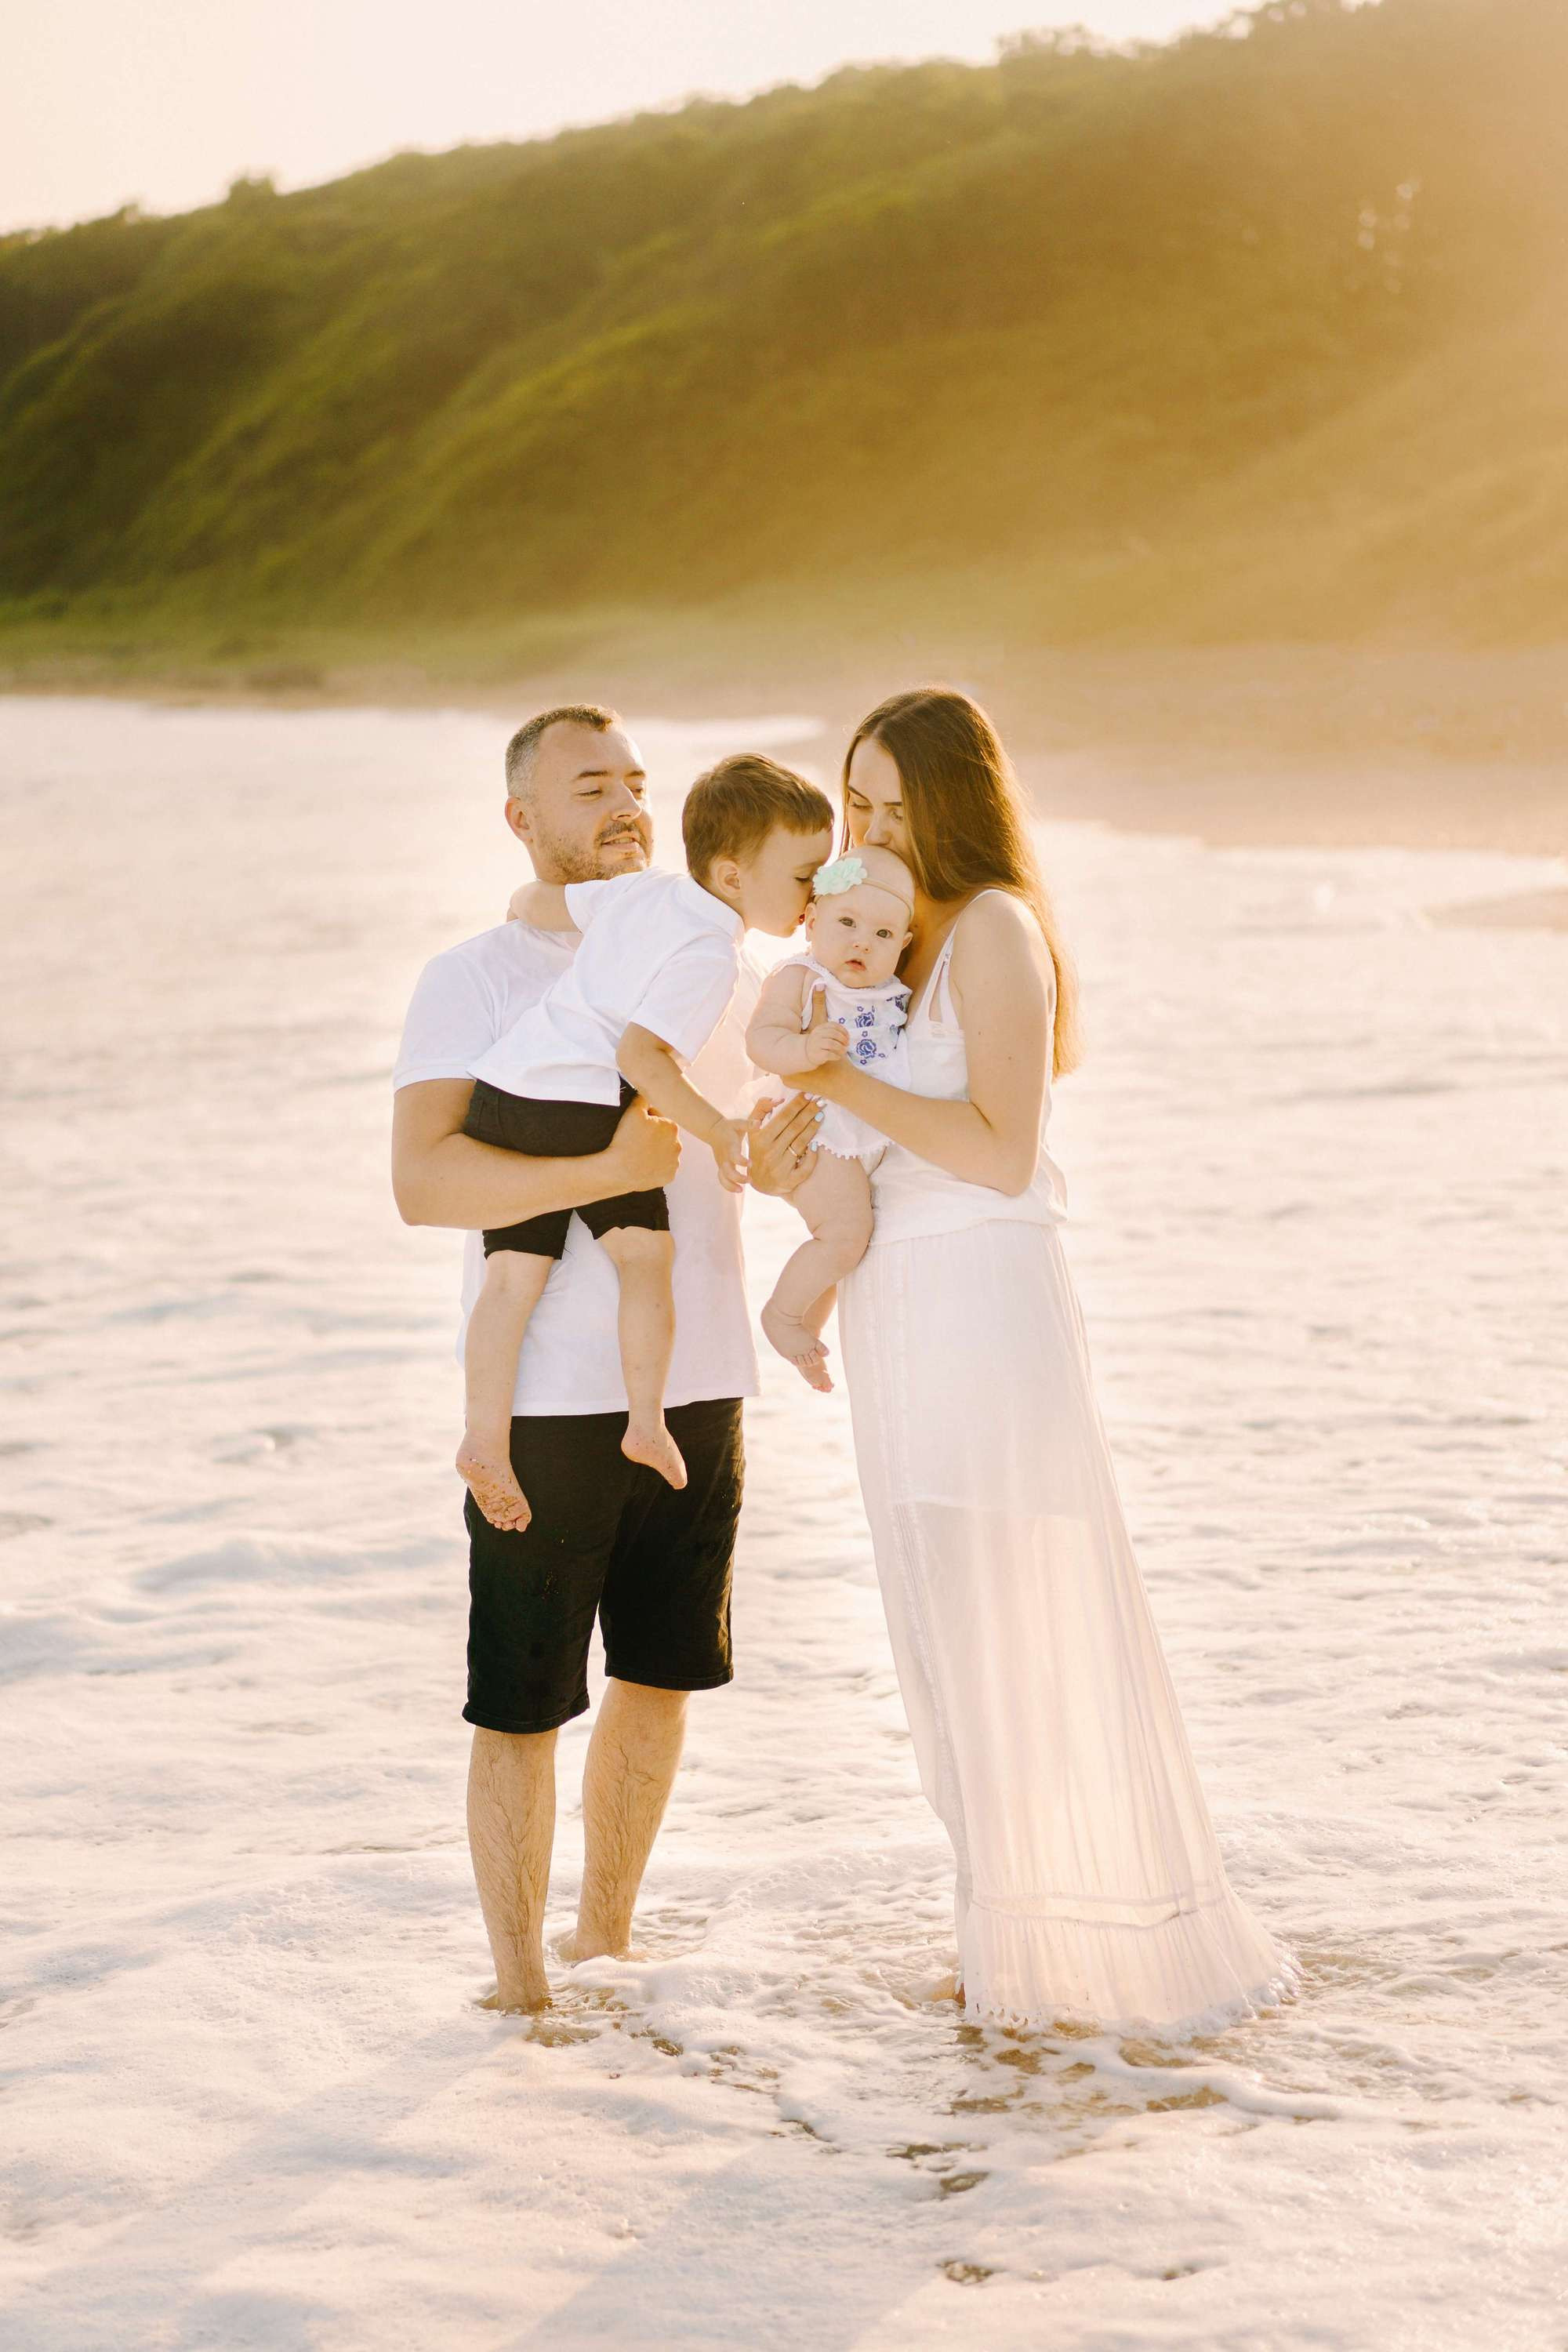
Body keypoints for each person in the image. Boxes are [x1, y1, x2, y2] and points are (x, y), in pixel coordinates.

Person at [804, 686, 1301, 2032]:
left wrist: (835, 1090)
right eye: (858, 805)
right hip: (897, 1298)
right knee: (938, 1626)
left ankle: (1074, 1954)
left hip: (981, 1293)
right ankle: (1001, 1939)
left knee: (1005, 1611)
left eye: (899, 807)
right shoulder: (884, 942)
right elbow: (871, 1136)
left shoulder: (997, 930)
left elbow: (999, 1148)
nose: (874, 830)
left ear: (960, 805)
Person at [391, 705, 824, 2013]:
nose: (625, 802)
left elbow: (761, 1155)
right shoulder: (471, 979)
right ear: (522, 818)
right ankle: (520, 2003)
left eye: (638, 779)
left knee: (660, 1679)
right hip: (542, 1405)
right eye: (590, 786)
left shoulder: (720, 968)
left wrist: (799, 1169)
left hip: (696, 1382)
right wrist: (607, 1170)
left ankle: (608, 1959)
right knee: (520, 1707)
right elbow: (425, 1183)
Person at [456, 753, 834, 1534]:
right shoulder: (710, 958)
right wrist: (718, 1128)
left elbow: (545, 903)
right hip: (581, 1107)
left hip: (508, 1094)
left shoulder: (646, 888)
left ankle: (483, 1442)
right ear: (731, 878)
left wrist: (517, 904)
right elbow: (640, 1058)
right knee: (644, 1261)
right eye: (804, 876)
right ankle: (645, 1421)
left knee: (510, 1281)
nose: (817, 894)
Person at [745, 845, 915, 1391]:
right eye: (846, 923)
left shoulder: (887, 990)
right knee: (846, 1236)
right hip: (817, 1128)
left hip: (858, 1131)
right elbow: (762, 1039)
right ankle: (782, 1315)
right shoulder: (802, 977)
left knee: (845, 1246)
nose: (862, 941)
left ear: (904, 945)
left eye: (884, 935)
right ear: (812, 923)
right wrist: (805, 1052)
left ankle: (807, 1331)